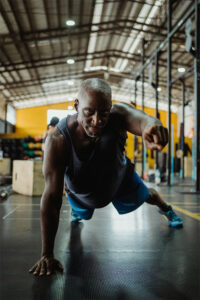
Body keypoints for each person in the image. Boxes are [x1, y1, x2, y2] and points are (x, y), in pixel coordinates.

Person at [29, 78, 183, 276]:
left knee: (149, 196)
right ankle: (78, 212)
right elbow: (51, 197)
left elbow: (140, 118)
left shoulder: (117, 115)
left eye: (104, 113)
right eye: (89, 112)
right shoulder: (58, 140)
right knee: (81, 212)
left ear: (110, 108)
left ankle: (168, 210)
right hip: (83, 191)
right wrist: (47, 254)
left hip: (118, 177)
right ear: (77, 105)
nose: (97, 120)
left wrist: (152, 125)